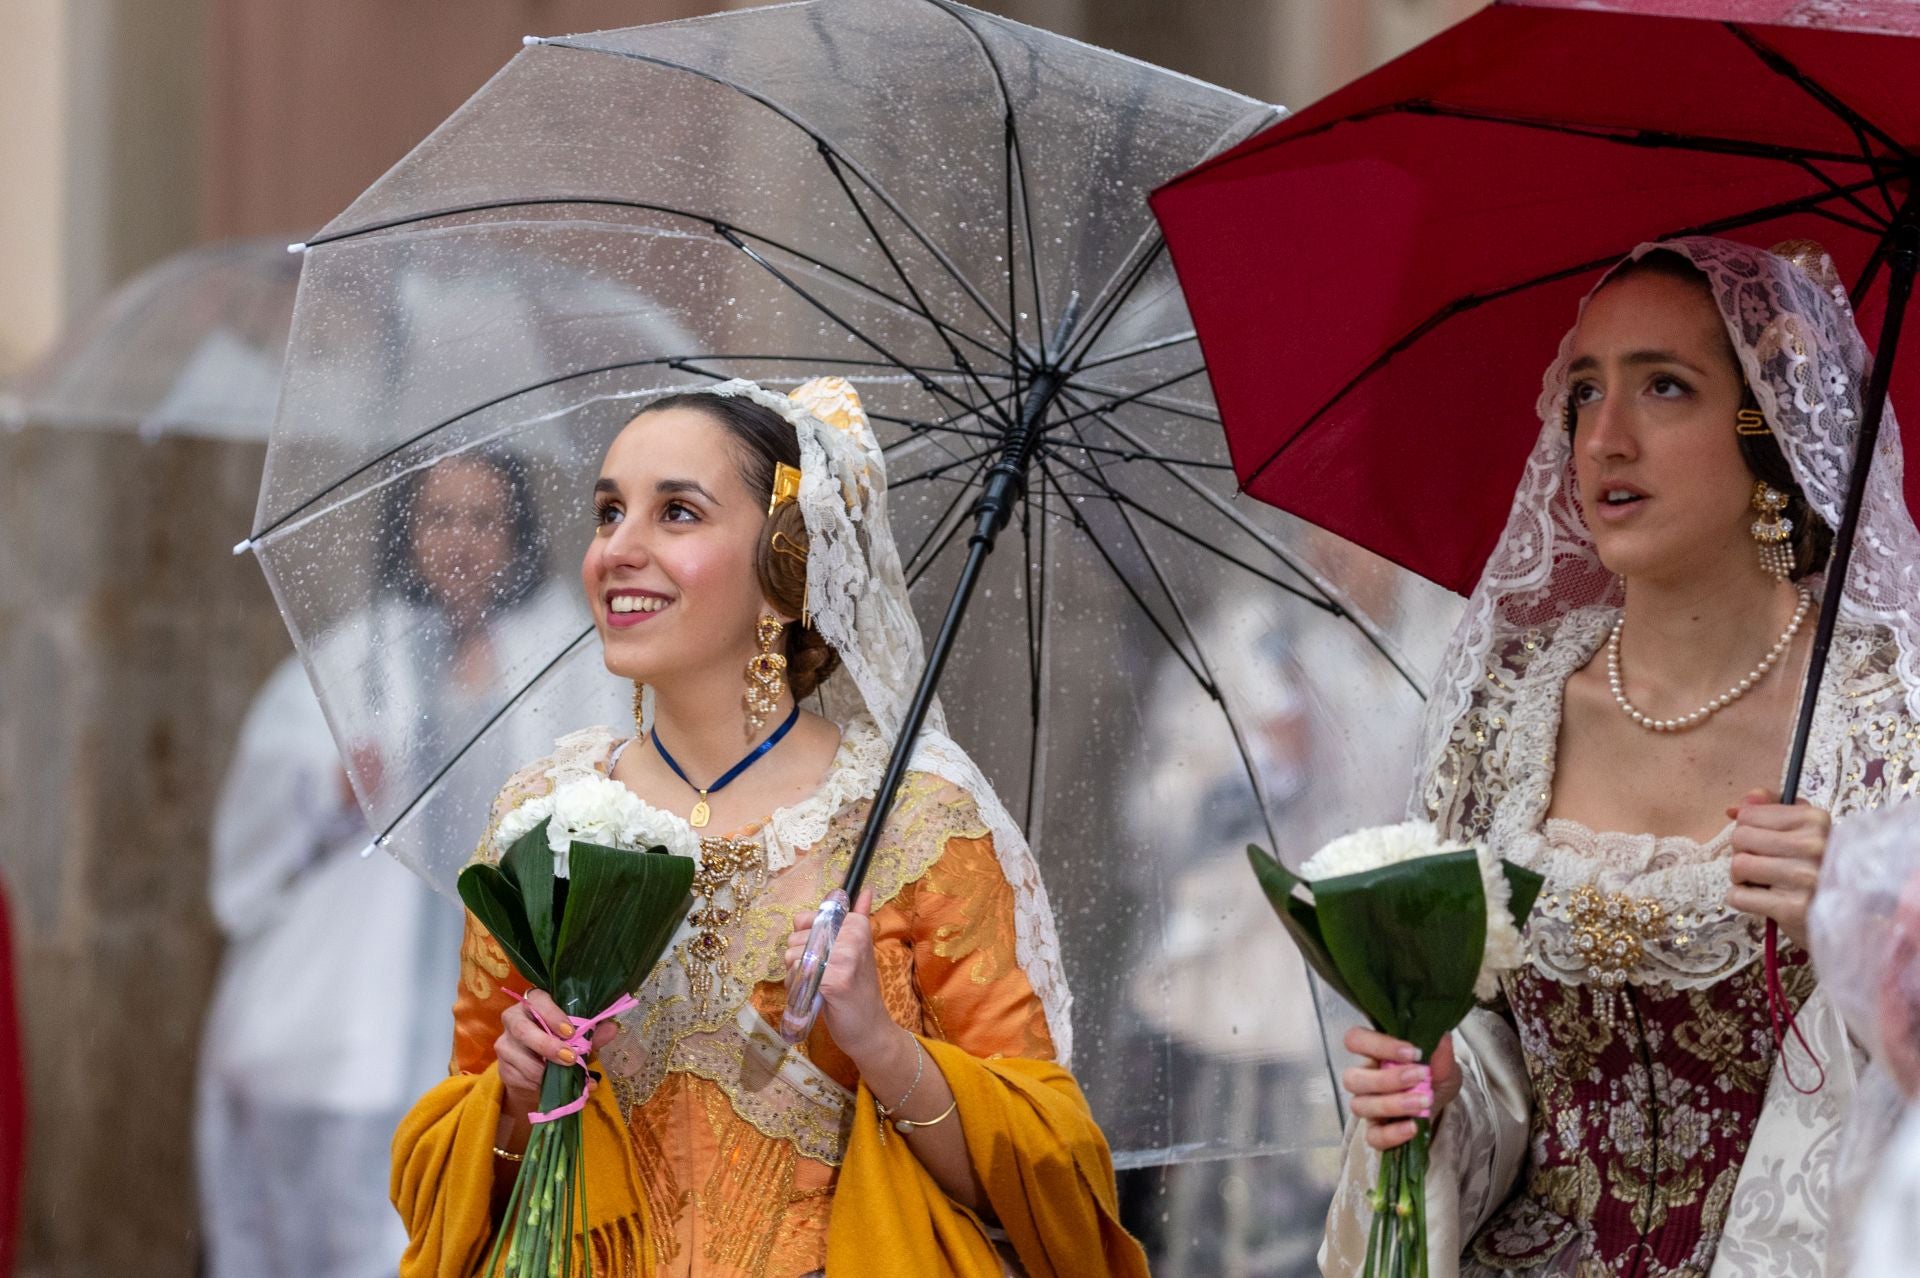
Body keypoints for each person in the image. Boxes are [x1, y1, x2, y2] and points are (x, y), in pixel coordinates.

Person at [391, 377, 1147, 1277]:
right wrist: (515, 1100)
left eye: (676, 512)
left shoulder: (915, 821)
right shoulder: (543, 819)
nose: (617, 550)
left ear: (783, 560)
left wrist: (876, 1040)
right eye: (607, 511)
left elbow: (1053, 1177)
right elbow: (444, 1190)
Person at [1324, 238, 1920, 1276]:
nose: (1605, 438)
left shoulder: (1885, 731)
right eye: (1585, 391)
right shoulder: (1502, 716)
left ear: (1768, 431)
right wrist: (1427, 1090)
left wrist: (1865, 933)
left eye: (1664, 387)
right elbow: (1488, 1058)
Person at [196, 450, 557, 1278]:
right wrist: (324, 789)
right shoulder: (349, 658)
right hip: (352, 979)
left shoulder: (557, 659)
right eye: (438, 517)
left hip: (486, 970)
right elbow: (257, 828)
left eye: (482, 519)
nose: (459, 541)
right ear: (409, 532)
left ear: (515, 536)